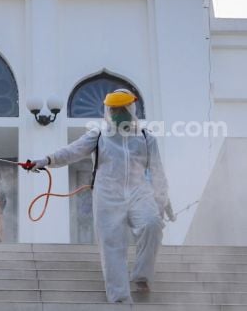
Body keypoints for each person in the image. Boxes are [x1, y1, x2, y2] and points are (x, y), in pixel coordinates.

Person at [31, 88, 175, 303]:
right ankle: (120, 299)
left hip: (139, 193)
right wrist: (46, 160)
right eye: (113, 109)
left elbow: (157, 170)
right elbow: (72, 151)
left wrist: (163, 200)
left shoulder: (146, 138)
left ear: (131, 108)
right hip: (108, 196)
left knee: (152, 224)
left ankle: (142, 276)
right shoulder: (98, 135)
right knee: (112, 245)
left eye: (121, 109)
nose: (117, 113)